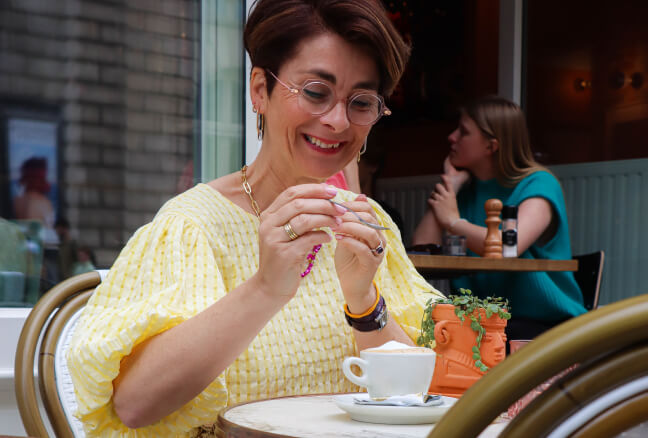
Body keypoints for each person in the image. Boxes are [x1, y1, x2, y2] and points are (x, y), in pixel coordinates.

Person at [67, 1, 443, 436]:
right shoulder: (193, 227)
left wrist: (363, 303)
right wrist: (265, 288)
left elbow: (426, 397)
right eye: (317, 92)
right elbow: (134, 405)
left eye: (361, 102)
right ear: (260, 89)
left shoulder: (368, 222)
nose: (338, 122)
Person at [412, 96, 586, 341]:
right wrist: (448, 185)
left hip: (544, 327)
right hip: (484, 323)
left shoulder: (539, 184)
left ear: (491, 146)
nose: (451, 137)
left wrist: (454, 222)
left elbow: (508, 247)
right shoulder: (466, 190)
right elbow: (421, 250)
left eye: (463, 132)